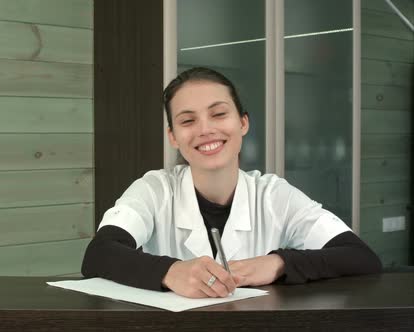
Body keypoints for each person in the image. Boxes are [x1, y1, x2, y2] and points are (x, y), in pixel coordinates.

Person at [81, 67, 382, 298]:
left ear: (243, 123)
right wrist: (170, 271)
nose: (205, 129)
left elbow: (359, 256)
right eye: (187, 121)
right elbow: (99, 253)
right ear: (173, 136)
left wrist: (279, 263)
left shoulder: (275, 195)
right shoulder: (154, 190)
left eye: (219, 114)